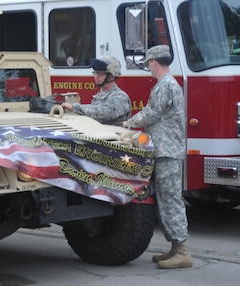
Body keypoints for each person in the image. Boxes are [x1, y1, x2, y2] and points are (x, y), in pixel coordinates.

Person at [122, 45, 192, 269]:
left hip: (167, 151)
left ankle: (182, 251)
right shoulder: (171, 84)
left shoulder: (165, 85)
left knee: (170, 199)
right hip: (167, 150)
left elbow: (152, 113)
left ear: (153, 62)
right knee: (167, 198)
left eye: (148, 64)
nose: (148, 69)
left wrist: (129, 123)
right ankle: (175, 248)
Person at [61, 55, 131, 126]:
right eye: (95, 73)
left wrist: (74, 107)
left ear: (111, 76)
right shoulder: (100, 95)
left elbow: (104, 113)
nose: (96, 77)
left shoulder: (120, 97)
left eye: (100, 74)